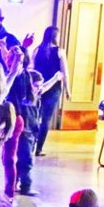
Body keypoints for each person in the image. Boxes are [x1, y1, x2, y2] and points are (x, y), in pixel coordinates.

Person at [32, 26, 70, 156]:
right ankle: (39, 148)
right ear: (56, 37)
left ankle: (31, 143)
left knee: (35, 116)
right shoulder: (60, 52)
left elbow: (32, 69)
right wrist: (67, 91)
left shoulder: (37, 51)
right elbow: (65, 73)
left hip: (38, 87)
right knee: (46, 119)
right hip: (54, 89)